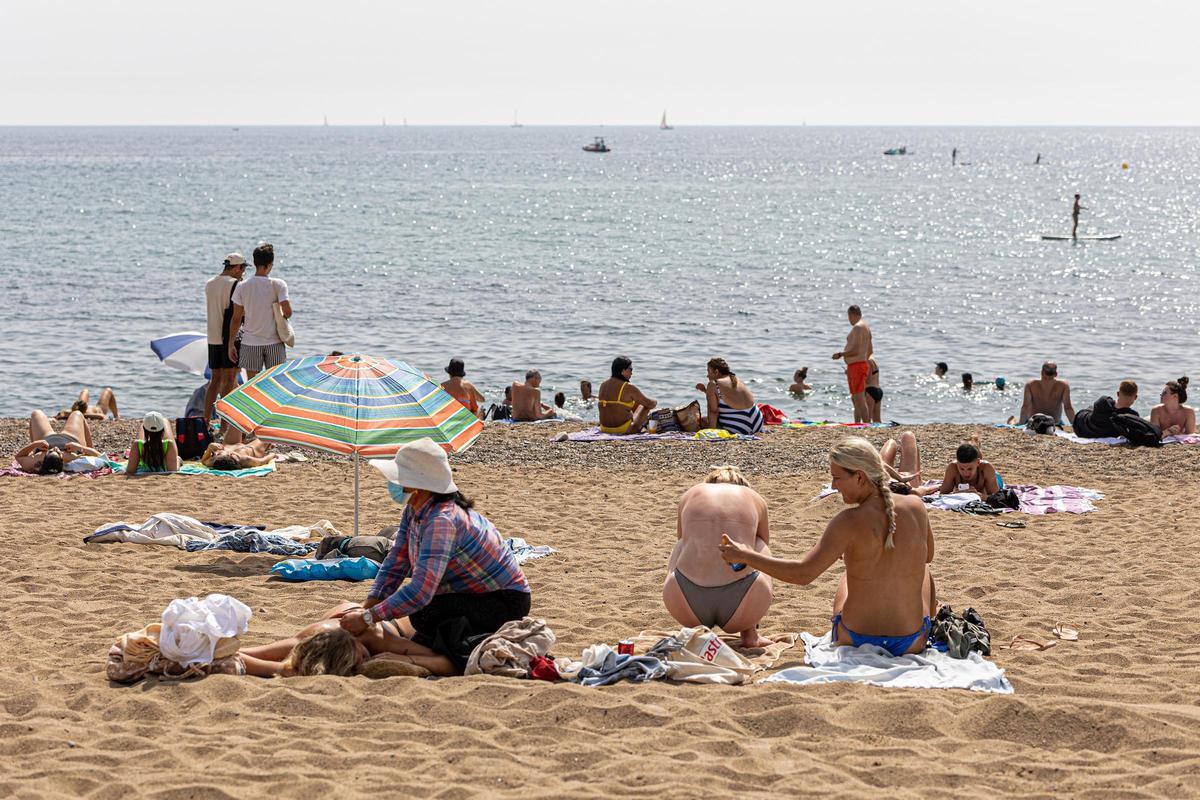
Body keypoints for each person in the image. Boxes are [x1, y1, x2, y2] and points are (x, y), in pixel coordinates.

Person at [718, 437, 936, 657]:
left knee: (849, 573)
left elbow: (803, 574)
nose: (833, 486)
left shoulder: (848, 521)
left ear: (860, 477)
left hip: (854, 637)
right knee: (924, 570)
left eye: (837, 478)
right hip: (910, 642)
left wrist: (746, 556)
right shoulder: (916, 506)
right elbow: (928, 556)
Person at [334, 438, 532, 676]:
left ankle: (440, 660)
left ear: (418, 486)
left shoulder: (442, 520)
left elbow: (421, 591)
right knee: (422, 613)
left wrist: (368, 617)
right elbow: (396, 561)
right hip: (469, 594)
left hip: (501, 601)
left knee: (425, 613)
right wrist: (369, 607)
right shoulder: (415, 510)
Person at [663, 467, 773, 648]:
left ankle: (694, 632)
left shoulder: (691, 494)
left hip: (684, 602)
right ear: (742, 485)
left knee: (682, 543)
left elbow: (682, 537)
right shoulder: (755, 498)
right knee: (758, 543)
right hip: (746, 604)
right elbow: (764, 543)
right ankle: (750, 634)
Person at [228, 243, 292, 380]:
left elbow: (236, 319)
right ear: (270, 265)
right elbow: (288, 312)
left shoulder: (242, 286)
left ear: (254, 262)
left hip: (250, 343)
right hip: (274, 342)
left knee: (252, 385)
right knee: (276, 383)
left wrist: (231, 344)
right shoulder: (279, 284)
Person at [204, 253, 246, 425]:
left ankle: (205, 421)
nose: (243, 273)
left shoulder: (209, 283)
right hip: (230, 337)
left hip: (212, 336)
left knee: (215, 380)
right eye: (243, 268)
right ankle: (225, 424)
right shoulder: (236, 284)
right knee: (229, 379)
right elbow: (238, 313)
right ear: (236, 268)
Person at [239, 628, 366, 678]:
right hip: (330, 629)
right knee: (262, 654)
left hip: (335, 633)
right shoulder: (300, 642)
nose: (364, 659)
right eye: (363, 657)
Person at [15, 409, 103, 474]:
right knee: (77, 413)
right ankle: (90, 447)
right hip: (70, 437)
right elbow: (101, 457)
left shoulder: (37, 460)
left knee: (36, 413)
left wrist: (35, 444)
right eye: (58, 452)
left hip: (47, 437)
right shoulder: (71, 458)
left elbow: (19, 457)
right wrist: (80, 447)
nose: (55, 448)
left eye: (50, 451)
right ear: (62, 460)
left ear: (44, 459)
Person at [696, 358, 763, 435]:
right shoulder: (736, 379)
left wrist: (711, 432)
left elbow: (713, 411)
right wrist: (706, 391)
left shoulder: (713, 384)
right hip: (757, 424)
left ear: (716, 372)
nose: (707, 375)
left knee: (703, 421)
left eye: (708, 371)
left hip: (740, 428)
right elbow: (729, 399)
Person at [832, 305, 873, 423]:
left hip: (857, 366)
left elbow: (856, 350)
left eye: (848, 316)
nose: (848, 319)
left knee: (859, 398)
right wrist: (862, 361)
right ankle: (857, 423)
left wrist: (840, 354)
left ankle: (866, 425)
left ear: (851, 315)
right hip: (859, 365)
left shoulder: (857, 327)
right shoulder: (866, 327)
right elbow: (870, 350)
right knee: (855, 398)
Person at [916, 440, 999, 498]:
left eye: (970, 469)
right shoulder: (953, 467)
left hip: (996, 478)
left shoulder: (986, 468)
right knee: (943, 485)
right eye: (962, 469)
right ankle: (939, 486)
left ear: (978, 462)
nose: (966, 473)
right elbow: (942, 495)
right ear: (957, 463)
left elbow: (997, 497)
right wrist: (956, 494)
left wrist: (978, 495)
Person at [598, 356, 658, 435]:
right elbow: (650, 404)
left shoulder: (603, 385)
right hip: (623, 430)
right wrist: (655, 401)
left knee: (634, 402)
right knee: (645, 406)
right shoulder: (628, 387)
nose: (632, 373)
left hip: (604, 428)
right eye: (630, 369)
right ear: (623, 370)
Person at [201, 427, 274, 470]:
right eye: (219, 453)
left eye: (217, 454)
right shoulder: (245, 460)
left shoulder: (214, 461)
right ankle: (267, 445)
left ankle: (245, 439)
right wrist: (272, 455)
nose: (216, 453)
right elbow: (262, 461)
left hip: (230, 444)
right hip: (250, 449)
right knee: (269, 433)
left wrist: (210, 447)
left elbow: (204, 461)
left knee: (237, 420)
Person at [865, 357, 883, 423]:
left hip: (870, 390)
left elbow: (868, 380)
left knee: (868, 418)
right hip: (878, 390)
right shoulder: (873, 361)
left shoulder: (867, 361)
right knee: (877, 419)